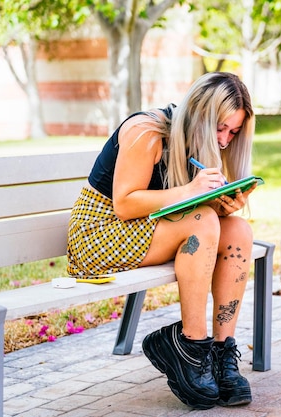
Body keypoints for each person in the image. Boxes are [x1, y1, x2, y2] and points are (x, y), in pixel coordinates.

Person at [66, 72, 258, 410]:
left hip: (145, 231)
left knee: (238, 230)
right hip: (98, 235)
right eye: (220, 128)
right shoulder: (147, 131)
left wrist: (225, 201)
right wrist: (193, 192)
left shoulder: (199, 142)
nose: (226, 140)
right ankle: (191, 346)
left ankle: (222, 350)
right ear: (200, 114)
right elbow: (124, 204)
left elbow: (182, 209)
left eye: (234, 132)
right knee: (204, 220)